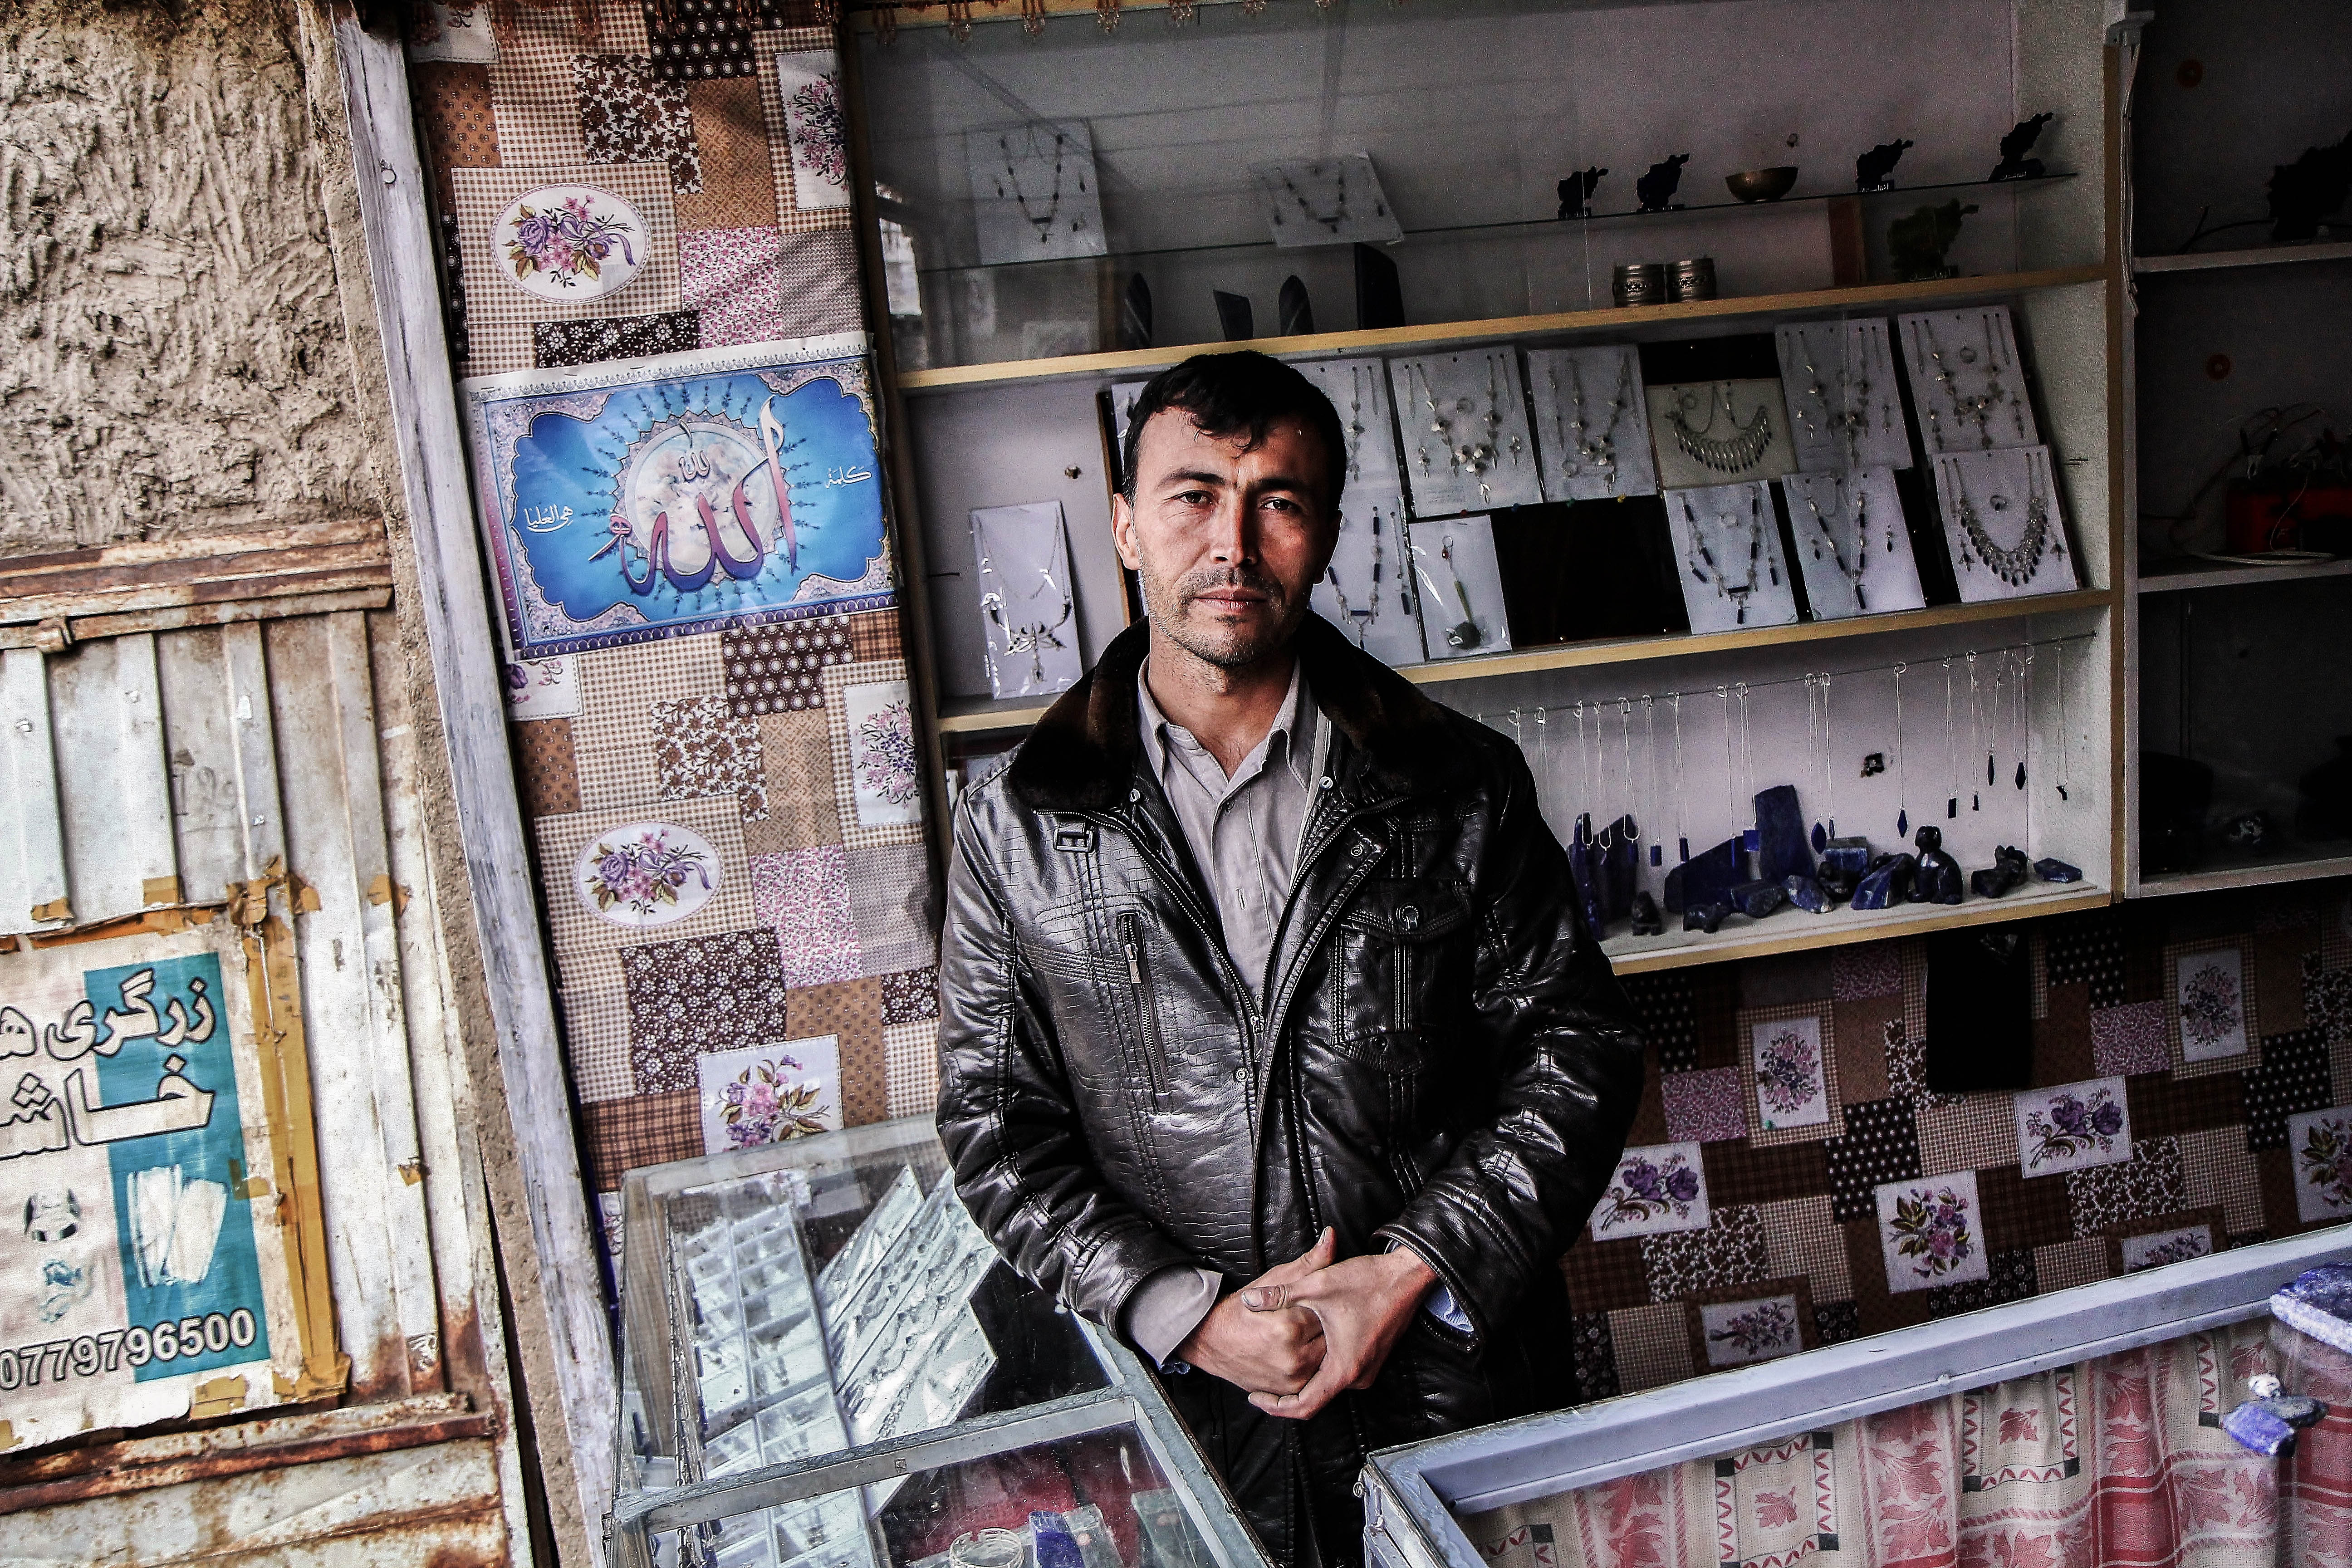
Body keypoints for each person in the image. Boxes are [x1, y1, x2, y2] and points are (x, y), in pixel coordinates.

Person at [936, 349, 1644, 1568]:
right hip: (1197, 1432)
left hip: (1450, 1388)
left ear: (1323, 535)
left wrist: (1411, 1268)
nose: (1233, 544)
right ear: (1126, 525)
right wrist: (1192, 1316)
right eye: (1194, 496)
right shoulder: (1021, 821)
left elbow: (1578, 1052)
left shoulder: (1456, 783)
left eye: (1278, 501)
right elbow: (996, 1127)